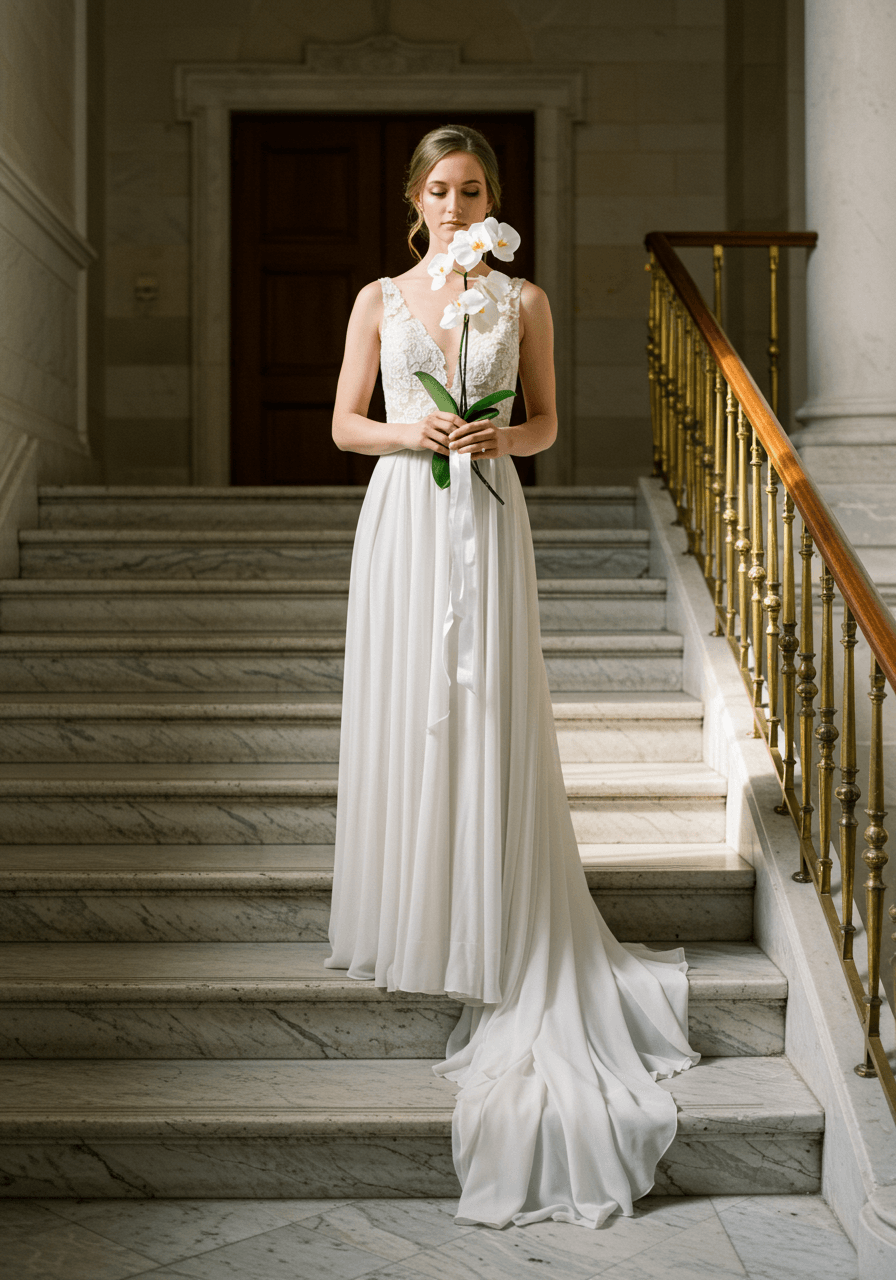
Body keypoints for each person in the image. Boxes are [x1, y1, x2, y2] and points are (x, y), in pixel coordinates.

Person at [327, 122, 698, 1230]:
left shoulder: (520, 301)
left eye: (472, 186)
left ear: (493, 197)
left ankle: (497, 905)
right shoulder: (376, 299)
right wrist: (415, 435)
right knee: (413, 713)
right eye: (438, 188)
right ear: (414, 200)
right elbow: (344, 424)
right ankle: (417, 903)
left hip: (487, 524)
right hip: (402, 520)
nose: (454, 202)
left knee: (484, 711)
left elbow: (544, 423)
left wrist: (495, 441)